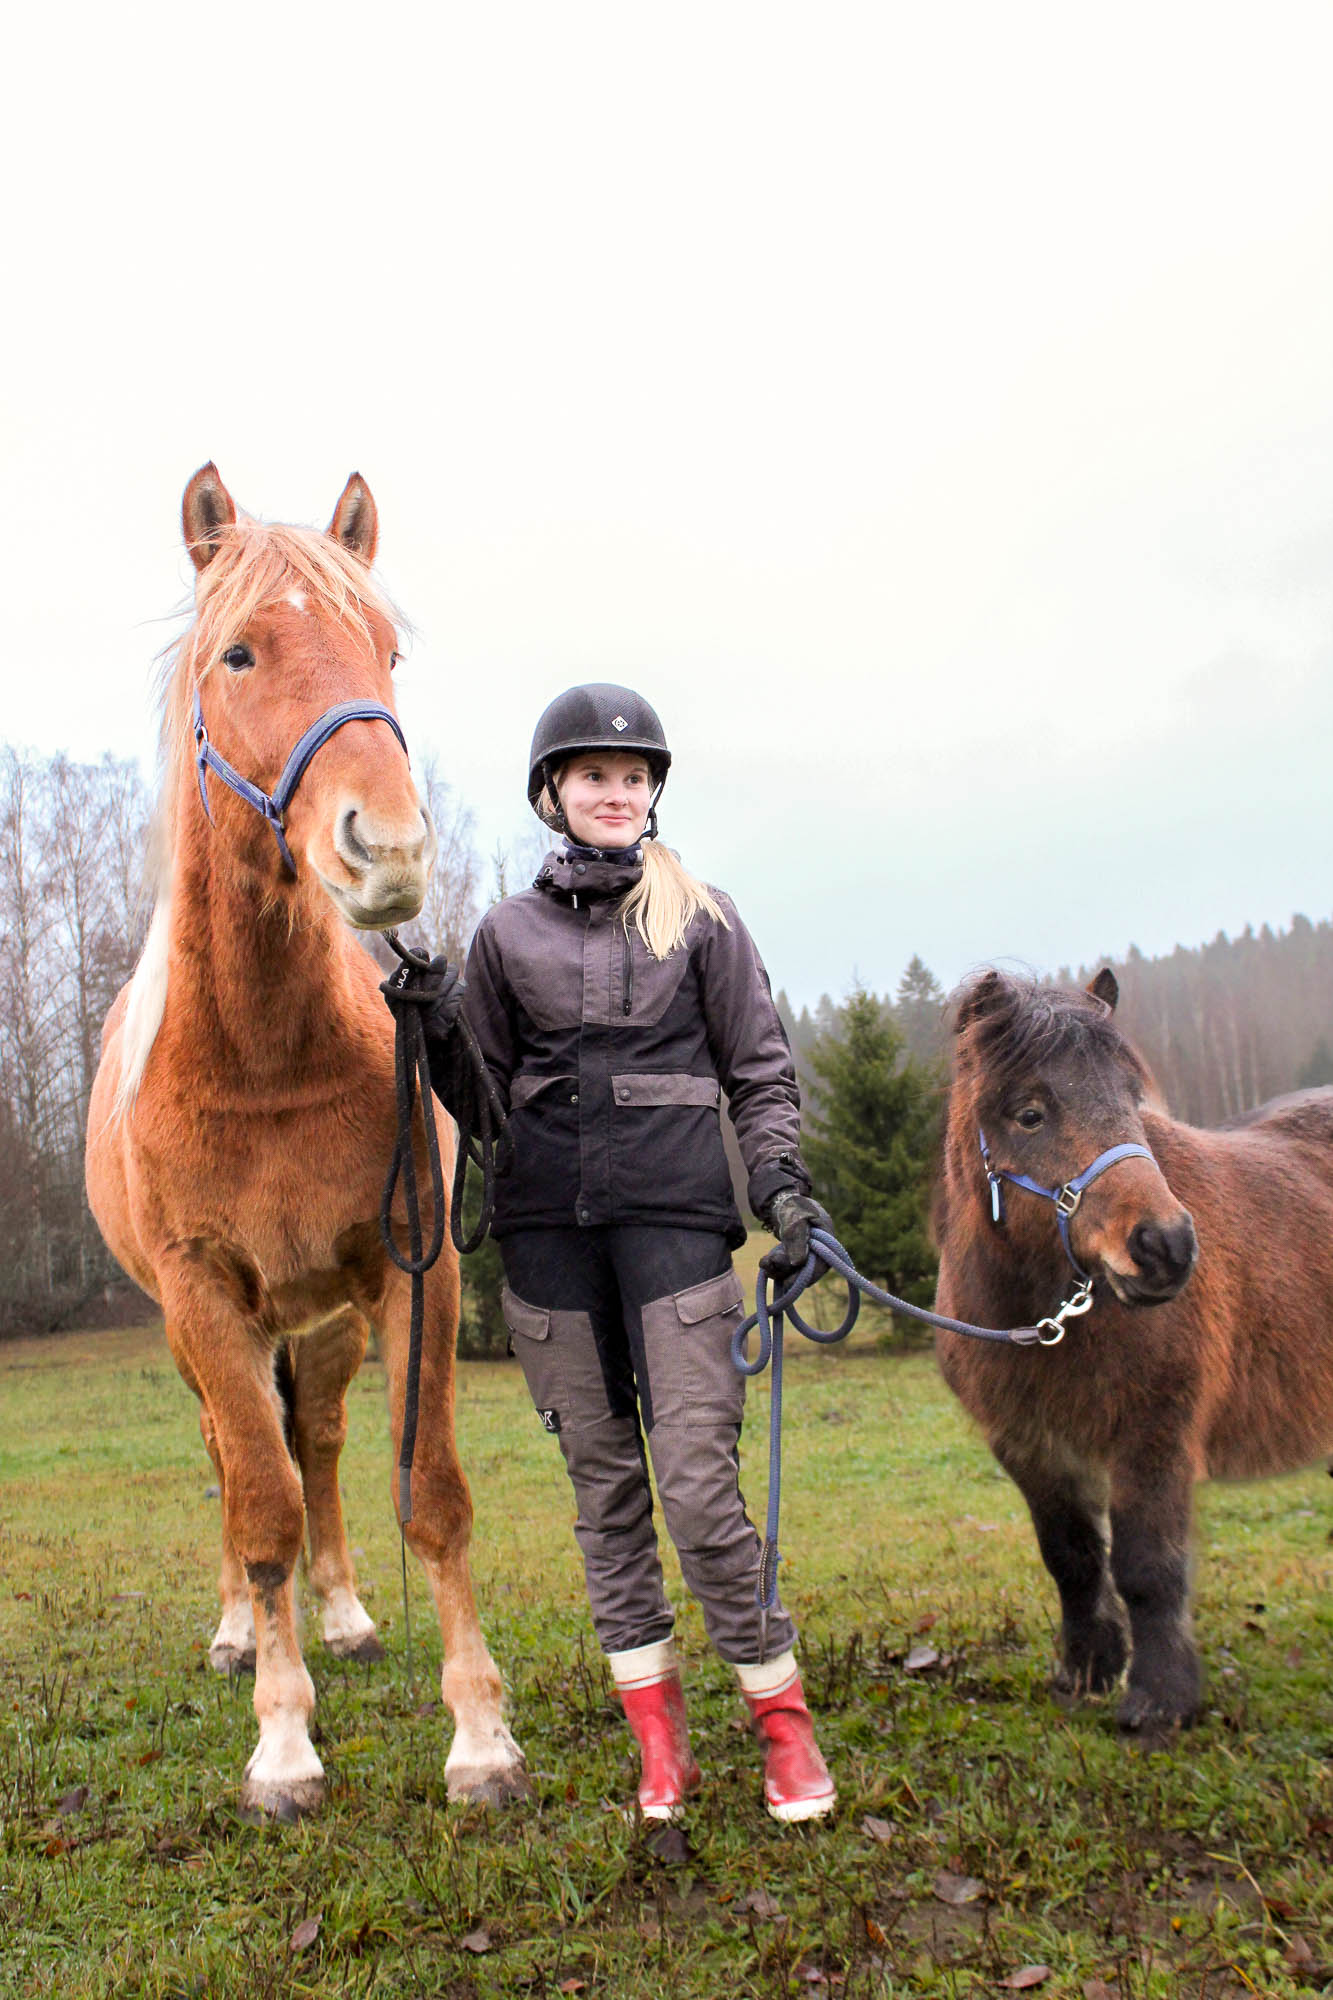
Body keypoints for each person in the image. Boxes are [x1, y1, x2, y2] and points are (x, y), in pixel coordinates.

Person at [416, 683, 836, 1823]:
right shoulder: (505, 933)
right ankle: (662, 1747)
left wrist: (784, 1190)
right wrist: (436, 1028)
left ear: (653, 792)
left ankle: (782, 1725)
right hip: (547, 1242)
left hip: (677, 1228)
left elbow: (759, 1067)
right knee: (607, 1500)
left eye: (633, 774)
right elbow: (486, 1105)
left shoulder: (702, 915)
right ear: (552, 793)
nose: (616, 791)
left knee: (698, 1491)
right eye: (593, 774)